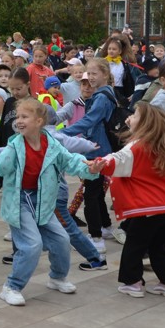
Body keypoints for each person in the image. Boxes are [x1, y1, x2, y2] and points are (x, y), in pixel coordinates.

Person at [0, 98, 98, 305]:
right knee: (31, 244)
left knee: (62, 239)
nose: (18, 120)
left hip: (44, 202)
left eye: (24, 117)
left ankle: (57, 278)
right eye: (17, 116)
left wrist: (89, 168)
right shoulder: (15, 146)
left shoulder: (52, 145)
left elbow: (71, 161)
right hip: (19, 202)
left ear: (39, 121)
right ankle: (11, 286)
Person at [89, 102, 165, 298]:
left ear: (144, 123)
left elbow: (115, 160)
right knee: (159, 247)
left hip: (148, 207)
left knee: (135, 244)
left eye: (134, 115)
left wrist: (97, 164)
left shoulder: (136, 147)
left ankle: (132, 282)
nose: (129, 118)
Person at [60, 58, 121, 253]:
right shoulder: (107, 92)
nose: (91, 78)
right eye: (89, 74)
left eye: (95, 74)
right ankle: (105, 226)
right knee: (96, 191)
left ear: (105, 74)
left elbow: (89, 120)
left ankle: (96, 237)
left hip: (97, 150)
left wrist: (63, 133)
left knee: (91, 194)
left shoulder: (102, 96)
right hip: (101, 148)